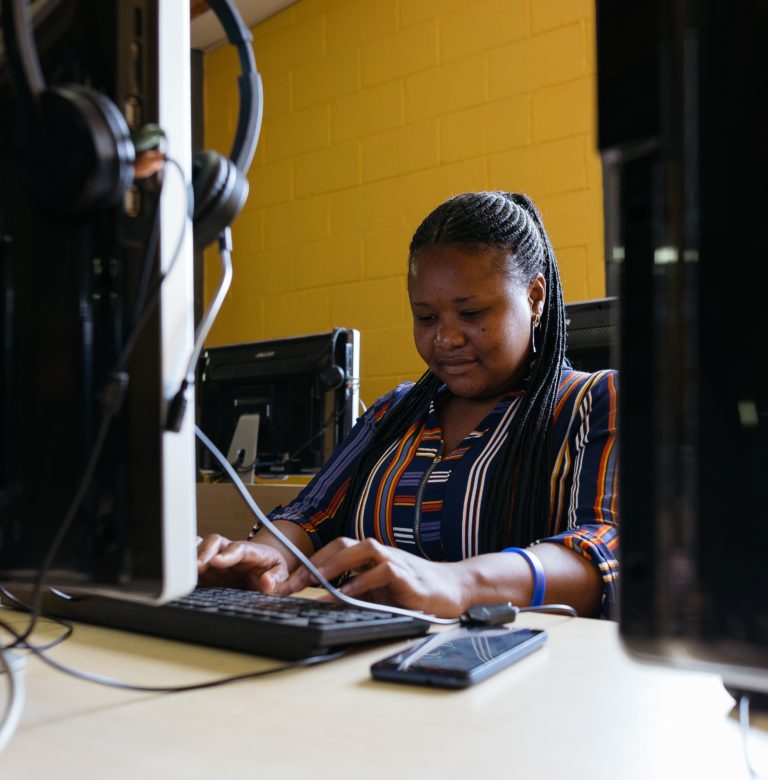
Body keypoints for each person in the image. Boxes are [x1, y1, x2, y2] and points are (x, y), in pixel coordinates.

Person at [198, 191, 618, 618]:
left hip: (520, 672)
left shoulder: (594, 400)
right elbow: (311, 515)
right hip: (365, 661)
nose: (446, 338)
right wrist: (267, 558)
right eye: (427, 317)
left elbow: (604, 549)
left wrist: (458, 582)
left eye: (471, 313)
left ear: (534, 298)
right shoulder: (395, 412)